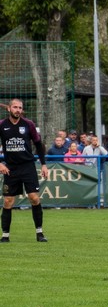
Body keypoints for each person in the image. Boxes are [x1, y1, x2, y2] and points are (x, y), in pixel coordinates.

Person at [0, 99, 49, 242]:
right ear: (9, 108)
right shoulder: (2, 125)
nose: (18, 110)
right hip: (10, 168)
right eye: (15, 107)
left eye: (20, 108)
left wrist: (44, 165)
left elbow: (39, 145)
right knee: (8, 201)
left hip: (28, 166)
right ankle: (5, 235)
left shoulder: (29, 124)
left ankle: (39, 233)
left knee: (34, 198)